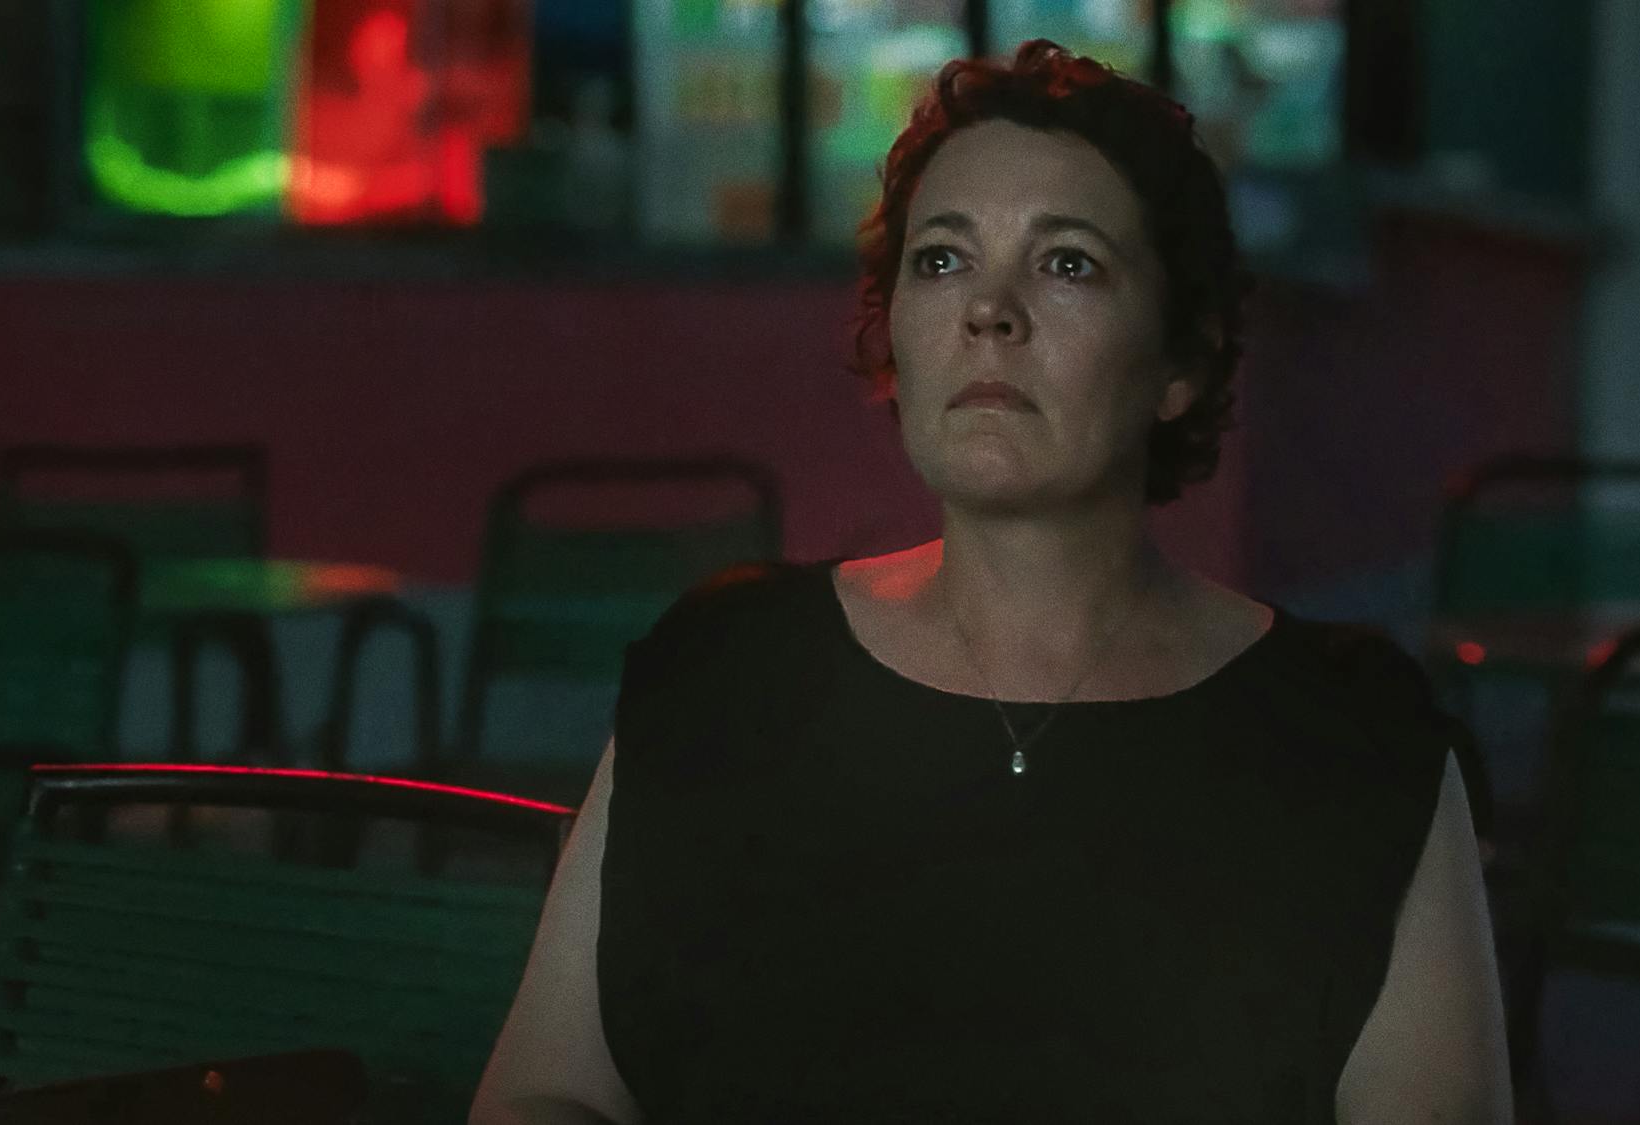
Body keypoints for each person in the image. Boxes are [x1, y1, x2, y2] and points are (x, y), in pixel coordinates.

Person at [471, 40, 1508, 1125]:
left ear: (1180, 360)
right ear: (895, 333)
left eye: (1067, 264)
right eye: (941, 260)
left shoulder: (1353, 743)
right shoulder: (721, 670)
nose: (988, 311)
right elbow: (548, 1090)